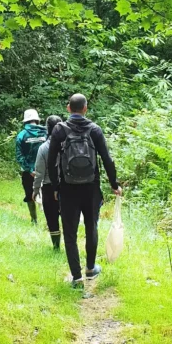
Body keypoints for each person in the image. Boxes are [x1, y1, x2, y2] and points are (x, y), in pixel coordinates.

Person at [48, 93, 121, 288]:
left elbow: (51, 162)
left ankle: (76, 277)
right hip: (91, 188)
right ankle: (90, 268)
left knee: (70, 232)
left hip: (67, 188)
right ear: (85, 108)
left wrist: (55, 187)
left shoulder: (59, 130)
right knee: (91, 226)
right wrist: (114, 184)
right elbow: (107, 159)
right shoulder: (94, 130)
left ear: (68, 108)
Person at [33, 114, 63, 249]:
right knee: (68, 218)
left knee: (52, 218)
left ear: (47, 128)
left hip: (48, 187)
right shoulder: (67, 145)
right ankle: (70, 245)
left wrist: (35, 190)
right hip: (66, 186)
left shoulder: (44, 148)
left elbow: (39, 172)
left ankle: (56, 246)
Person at [16, 109, 47, 223]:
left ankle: (34, 220)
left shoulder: (21, 135)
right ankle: (50, 221)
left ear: (25, 121)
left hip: (28, 172)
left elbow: (19, 156)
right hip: (46, 171)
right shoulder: (46, 132)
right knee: (48, 195)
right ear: (37, 120)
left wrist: (29, 169)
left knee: (30, 195)